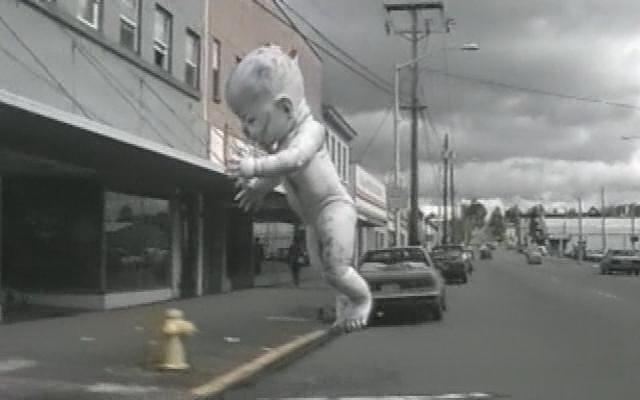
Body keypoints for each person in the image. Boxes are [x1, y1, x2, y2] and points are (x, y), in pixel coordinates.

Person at [225, 45, 372, 332]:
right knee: (326, 272)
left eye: (251, 120)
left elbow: (295, 160)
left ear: (285, 108)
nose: (245, 130)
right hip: (312, 220)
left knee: (337, 267)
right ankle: (344, 300)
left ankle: (362, 299)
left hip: (334, 207)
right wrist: (258, 188)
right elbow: (280, 172)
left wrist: (254, 167)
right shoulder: (283, 143)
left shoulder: (311, 132)